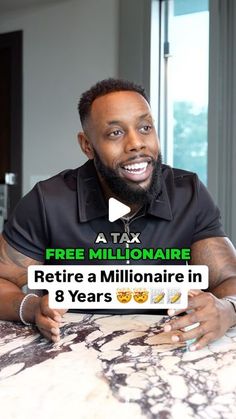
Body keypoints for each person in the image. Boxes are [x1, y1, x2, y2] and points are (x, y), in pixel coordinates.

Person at [0, 78, 236, 349]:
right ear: (87, 145)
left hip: (166, 345)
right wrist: (30, 308)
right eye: (115, 133)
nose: (136, 144)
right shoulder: (47, 201)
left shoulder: (188, 193)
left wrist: (227, 309)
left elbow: (228, 279)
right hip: (69, 352)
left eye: (145, 127)